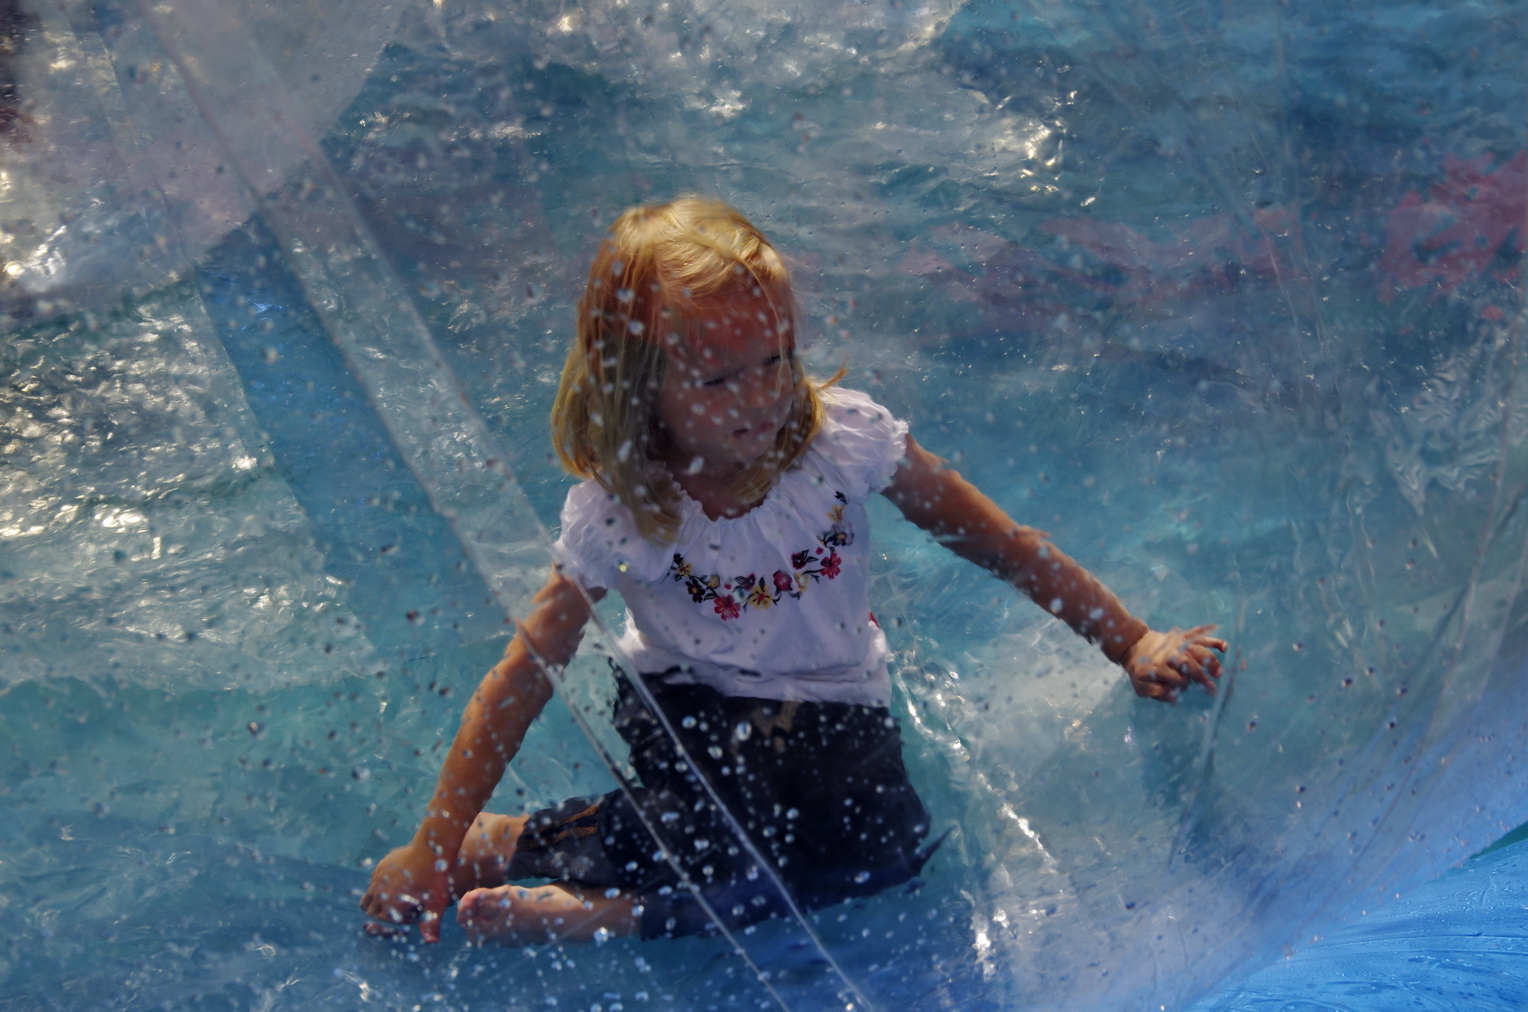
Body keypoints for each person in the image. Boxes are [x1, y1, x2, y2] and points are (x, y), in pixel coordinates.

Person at [359, 197, 1225, 946]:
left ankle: (610, 905)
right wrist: (433, 842)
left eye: (775, 359)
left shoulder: (841, 443)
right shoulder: (624, 510)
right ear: (638, 389)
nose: (761, 396)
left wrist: (1133, 640)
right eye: (718, 378)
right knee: (735, 836)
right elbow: (523, 676)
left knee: (882, 860)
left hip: (834, 701)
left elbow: (997, 542)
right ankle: (506, 849)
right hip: (689, 700)